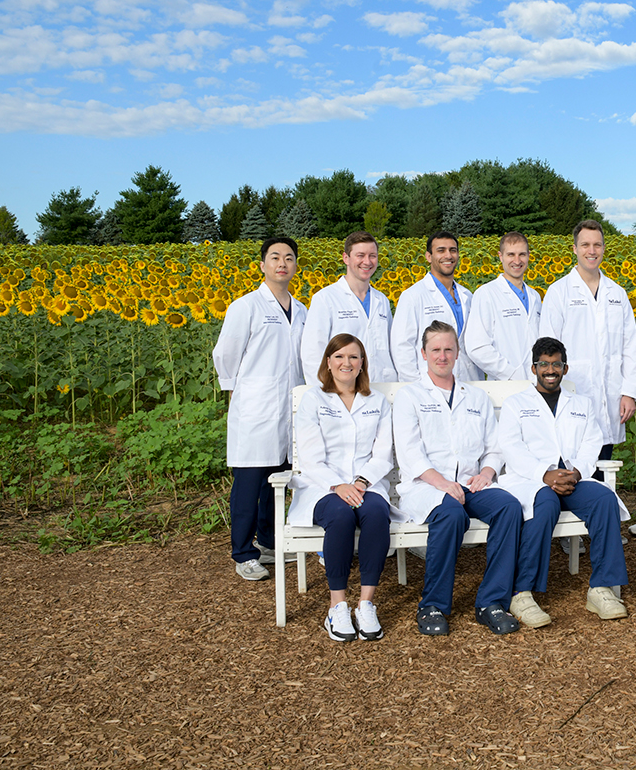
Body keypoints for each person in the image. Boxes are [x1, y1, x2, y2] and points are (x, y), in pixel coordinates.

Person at [394, 321, 522, 636]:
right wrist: (442, 484)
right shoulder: (410, 396)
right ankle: (433, 605)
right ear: (423, 353)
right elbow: (409, 454)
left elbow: (494, 448)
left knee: (509, 507)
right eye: (436, 350)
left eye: (448, 349)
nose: (442, 356)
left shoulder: (476, 398)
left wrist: (487, 473)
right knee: (451, 515)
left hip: (470, 483)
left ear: (457, 352)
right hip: (426, 487)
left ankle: (491, 602)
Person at [497, 337, 631, 627]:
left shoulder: (581, 404)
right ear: (533, 368)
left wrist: (577, 473)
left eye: (556, 364)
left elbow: (592, 442)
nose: (550, 370)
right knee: (544, 504)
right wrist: (545, 474)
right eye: (544, 364)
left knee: (604, 499)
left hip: (572, 478)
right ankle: (522, 593)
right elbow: (511, 447)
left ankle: (601, 588)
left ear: (565, 368)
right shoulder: (515, 404)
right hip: (532, 480)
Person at [212, 236, 308, 581]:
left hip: (289, 408)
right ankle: (243, 552)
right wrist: (237, 389)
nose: (282, 263)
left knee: (277, 481)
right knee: (249, 485)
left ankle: (268, 542)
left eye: (289, 258)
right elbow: (226, 353)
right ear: (263, 265)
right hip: (256, 406)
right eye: (275, 257)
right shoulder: (246, 306)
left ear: (295, 266)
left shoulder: (302, 310)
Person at [291, 334, 396, 642]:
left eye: (353, 357)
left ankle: (366, 604)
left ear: (362, 363)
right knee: (341, 516)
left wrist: (360, 482)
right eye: (339, 356)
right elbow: (310, 458)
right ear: (328, 362)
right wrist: (337, 485)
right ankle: (337, 605)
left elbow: (383, 455)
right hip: (323, 486)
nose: (346, 363)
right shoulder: (314, 400)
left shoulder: (376, 402)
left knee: (376, 514)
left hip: (366, 485)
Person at [539, 219, 636, 468]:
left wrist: (629, 392)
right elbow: (547, 348)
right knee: (573, 463)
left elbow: (630, 345)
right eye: (585, 245)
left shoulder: (616, 293)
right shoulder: (559, 291)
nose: (591, 251)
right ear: (575, 248)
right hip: (572, 391)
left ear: (604, 248)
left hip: (610, 394)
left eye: (597, 245)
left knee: (604, 463)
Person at [301, 231, 397, 386]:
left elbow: (391, 348)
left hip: (383, 385)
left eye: (372, 256)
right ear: (346, 258)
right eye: (360, 255)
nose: (367, 261)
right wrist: (323, 392)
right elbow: (313, 353)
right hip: (343, 388)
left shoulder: (382, 300)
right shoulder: (325, 298)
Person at [393, 231, 482, 383]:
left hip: (468, 380)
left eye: (453, 250)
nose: (448, 255)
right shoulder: (412, 296)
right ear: (429, 256)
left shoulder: (467, 295)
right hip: (428, 382)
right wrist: (417, 385)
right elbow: (401, 347)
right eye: (441, 250)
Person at [465, 231, 541, 381]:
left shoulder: (535, 296)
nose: (517, 261)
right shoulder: (486, 294)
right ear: (501, 256)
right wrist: (511, 374)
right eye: (511, 254)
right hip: (504, 384)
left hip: (536, 382)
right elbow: (477, 347)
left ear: (528, 256)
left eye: (522, 254)